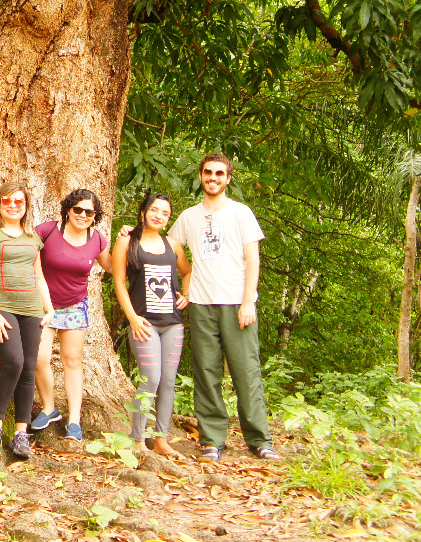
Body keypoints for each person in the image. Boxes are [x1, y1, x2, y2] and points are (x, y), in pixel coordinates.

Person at [168, 153, 279, 461]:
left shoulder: (240, 213)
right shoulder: (188, 217)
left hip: (236, 304)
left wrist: (248, 302)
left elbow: (252, 260)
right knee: (206, 373)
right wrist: (187, 283)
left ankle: (259, 440)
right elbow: (169, 248)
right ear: (201, 176)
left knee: (246, 372)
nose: (213, 178)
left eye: (219, 173)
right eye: (208, 172)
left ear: (228, 178)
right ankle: (212, 440)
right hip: (202, 305)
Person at [0, 180, 51, 458]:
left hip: (32, 308)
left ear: (26, 206)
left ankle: (21, 432)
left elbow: (39, 276)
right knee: (13, 362)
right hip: (2, 306)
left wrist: (49, 308)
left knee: (29, 368)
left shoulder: (33, 238)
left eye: (18, 201)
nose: (12, 205)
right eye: (6, 200)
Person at [111, 193, 191, 457]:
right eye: (154, 210)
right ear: (143, 211)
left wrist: (186, 295)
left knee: (168, 381)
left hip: (172, 324)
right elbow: (120, 283)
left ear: (169, 219)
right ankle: (137, 440)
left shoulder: (173, 245)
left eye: (165, 213)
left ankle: (161, 440)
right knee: (151, 379)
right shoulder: (126, 242)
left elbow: (187, 272)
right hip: (143, 324)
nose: (158, 215)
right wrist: (132, 317)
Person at [31, 189, 112, 442]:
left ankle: (74, 420)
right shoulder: (46, 231)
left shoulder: (97, 239)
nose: (83, 215)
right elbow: (24, 256)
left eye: (89, 212)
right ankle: (49, 408)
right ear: (68, 209)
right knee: (38, 357)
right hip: (44, 304)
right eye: (78, 209)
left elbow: (111, 265)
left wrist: (127, 241)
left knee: (72, 360)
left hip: (75, 305)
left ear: (95, 216)